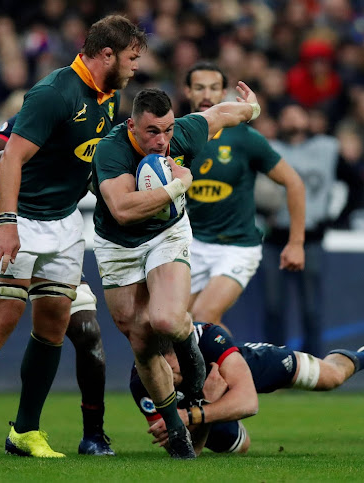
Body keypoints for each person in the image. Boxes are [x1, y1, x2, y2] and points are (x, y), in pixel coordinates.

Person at [0, 15, 146, 459]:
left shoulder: (107, 96)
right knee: (1, 317)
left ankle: (25, 430)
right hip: (21, 218)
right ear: (107, 54)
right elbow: (9, 159)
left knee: (53, 323)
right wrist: (8, 224)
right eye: (131, 57)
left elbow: (80, 160)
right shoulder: (55, 92)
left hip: (64, 221)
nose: (135, 66)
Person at [0, 115, 114, 456]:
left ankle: (86, 435)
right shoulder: (33, 120)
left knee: (83, 327)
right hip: (4, 227)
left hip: (56, 230)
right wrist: (22, 151)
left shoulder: (97, 122)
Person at [91, 85, 263, 459]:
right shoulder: (112, 150)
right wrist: (178, 186)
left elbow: (219, 114)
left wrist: (251, 110)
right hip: (118, 247)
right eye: (153, 131)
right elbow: (122, 209)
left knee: (167, 320)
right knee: (141, 340)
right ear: (132, 126)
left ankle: (196, 375)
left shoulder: (182, 133)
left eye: (168, 129)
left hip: (167, 236)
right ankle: (175, 426)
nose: (163, 140)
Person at [131, 322, 364, 455]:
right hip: (207, 401)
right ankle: (216, 414)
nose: (171, 374)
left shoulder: (208, 338)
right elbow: (185, 453)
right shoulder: (142, 383)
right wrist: (205, 407)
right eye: (163, 370)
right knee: (240, 447)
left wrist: (194, 414)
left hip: (246, 368)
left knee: (331, 378)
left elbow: (248, 402)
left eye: (176, 366)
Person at [183, 61, 306, 330]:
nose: (206, 95)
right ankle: (220, 371)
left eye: (214, 88)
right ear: (187, 92)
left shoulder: (245, 138)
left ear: (223, 92)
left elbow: (294, 183)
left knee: (203, 316)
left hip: (237, 247)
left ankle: (236, 372)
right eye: (199, 88)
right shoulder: (178, 136)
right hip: (193, 245)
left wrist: (296, 243)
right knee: (176, 323)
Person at [261, 103, 340, 357]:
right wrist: (262, 213)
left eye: (298, 113)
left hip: (311, 238)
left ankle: (314, 367)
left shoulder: (327, 149)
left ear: (309, 118)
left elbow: (359, 181)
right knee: (273, 307)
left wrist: (334, 218)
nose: (292, 119)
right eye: (286, 114)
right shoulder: (268, 148)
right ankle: (275, 365)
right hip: (275, 238)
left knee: (311, 309)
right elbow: (249, 187)